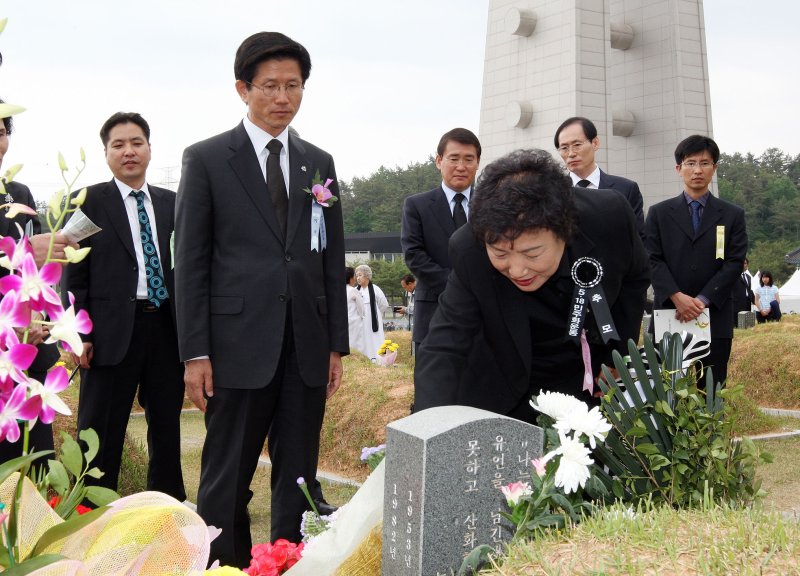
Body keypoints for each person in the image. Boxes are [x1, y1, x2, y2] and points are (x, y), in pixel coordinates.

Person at [174, 32, 348, 567]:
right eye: (269, 86)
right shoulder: (206, 159)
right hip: (234, 347)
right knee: (226, 472)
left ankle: (288, 560)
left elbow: (328, 258)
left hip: (305, 345)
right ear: (242, 89)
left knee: (298, 469)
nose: (282, 98)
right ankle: (222, 564)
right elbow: (192, 263)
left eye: (293, 86)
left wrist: (334, 344)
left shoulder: (318, 163)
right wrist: (195, 353)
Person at [414, 149, 649, 423]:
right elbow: (445, 344)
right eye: (500, 254)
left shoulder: (609, 217)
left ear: (564, 229)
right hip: (507, 376)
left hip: (584, 370)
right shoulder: (469, 248)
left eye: (532, 253)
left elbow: (635, 279)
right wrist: (426, 427)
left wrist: (616, 355)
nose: (517, 270)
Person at [62, 112, 185, 501]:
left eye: (136, 143)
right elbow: (73, 274)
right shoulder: (88, 202)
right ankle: (90, 514)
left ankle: (166, 511)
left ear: (150, 149)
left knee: (167, 426)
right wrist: (79, 334)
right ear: (106, 153)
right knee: (99, 429)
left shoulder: (174, 204)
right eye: (119, 145)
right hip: (109, 332)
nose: (128, 151)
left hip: (166, 328)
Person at [0, 100, 72, 467]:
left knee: (34, 463)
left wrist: (42, 321)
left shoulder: (20, 193)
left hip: (28, 349)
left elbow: (36, 273)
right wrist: (27, 246)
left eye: (1, 132)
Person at [645, 134, 747, 386]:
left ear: (715, 168)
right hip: (670, 313)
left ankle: (711, 428)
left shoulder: (732, 214)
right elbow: (651, 259)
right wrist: (677, 297)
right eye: (690, 163)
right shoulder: (659, 213)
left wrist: (701, 301)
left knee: (711, 390)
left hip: (715, 315)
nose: (697, 170)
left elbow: (734, 261)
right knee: (666, 391)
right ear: (679, 168)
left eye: (704, 163)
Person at [401, 128, 480, 350]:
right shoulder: (417, 205)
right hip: (433, 311)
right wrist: (456, 286)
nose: (461, 166)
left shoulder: (491, 203)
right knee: (433, 382)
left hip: (483, 313)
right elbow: (414, 255)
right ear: (439, 161)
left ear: (478, 162)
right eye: (454, 158)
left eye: (469, 159)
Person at [554, 117, 645, 240]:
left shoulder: (625, 189)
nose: (571, 154)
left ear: (595, 143)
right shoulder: (553, 191)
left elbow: (637, 239)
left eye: (577, 145)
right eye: (564, 148)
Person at [354, 264, 388, 361]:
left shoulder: (375, 289)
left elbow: (384, 304)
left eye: (360, 275)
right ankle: (363, 359)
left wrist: (377, 314)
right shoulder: (355, 291)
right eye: (357, 275)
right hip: (359, 322)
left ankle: (377, 359)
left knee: (374, 339)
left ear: (367, 275)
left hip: (373, 322)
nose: (358, 278)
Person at [345, 266, 367, 356]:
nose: (356, 278)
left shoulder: (340, 290)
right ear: (350, 278)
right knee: (357, 343)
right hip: (355, 321)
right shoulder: (353, 290)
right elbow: (361, 307)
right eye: (354, 276)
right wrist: (362, 316)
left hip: (344, 320)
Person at [732, 257, 754, 321]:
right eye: (744, 263)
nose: (746, 265)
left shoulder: (748, 277)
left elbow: (749, 289)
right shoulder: (734, 275)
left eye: (746, 263)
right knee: (737, 322)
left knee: (746, 321)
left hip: (747, 301)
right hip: (737, 302)